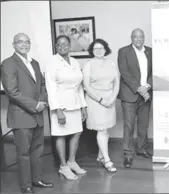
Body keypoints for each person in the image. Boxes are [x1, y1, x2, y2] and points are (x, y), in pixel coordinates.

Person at [0, 33, 53, 193]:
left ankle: (36, 180)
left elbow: (43, 85)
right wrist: (35, 104)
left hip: (37, 115)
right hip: (21, 116)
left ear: (30, 44)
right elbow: (12, 91)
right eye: (20, 42)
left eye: (26, 42)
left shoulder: (34, 63)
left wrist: (42, 101)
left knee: (37, 151)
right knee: (23, 153)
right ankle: (26, 186)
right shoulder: (8, 63)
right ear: (13, 44)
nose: (24, 45)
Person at [45, 35, 88, 180]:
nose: (62, 47)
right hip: (60, 105)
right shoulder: (52, 62)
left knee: (77, 132)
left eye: (65, 44)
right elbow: (50, 87)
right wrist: (57, 110)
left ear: (70, 45)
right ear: (56, 47)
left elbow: (79, 86)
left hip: (75, 103)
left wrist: (83, 106)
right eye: (59, 45)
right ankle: (63, 166)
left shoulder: (75, 62)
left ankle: (71, 161)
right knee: (61, 135)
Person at [83, 38, 120, 172]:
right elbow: (86, 86)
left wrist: (112, 98)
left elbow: (117, 83)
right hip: (95, 101)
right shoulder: (89, 64)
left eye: (101, 48)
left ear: (106, 49)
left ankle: (100, 156)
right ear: (92, 51)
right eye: (95, 48)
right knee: (102, 130)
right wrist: (101, 100)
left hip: (110, 99)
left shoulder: (111, 63)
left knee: (107, 129)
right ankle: (107, 160)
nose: (98, 51)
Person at [117, 28, 153, 168]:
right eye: (135, 37)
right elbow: (124, 73)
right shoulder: (123, 51)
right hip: (130, 94)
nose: (138, 39)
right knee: (129, 125)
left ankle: (142, 149)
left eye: (141, 36)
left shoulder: (150, 51)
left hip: (146, 93)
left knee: (143, 124)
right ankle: (128, 153)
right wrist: (139, 88)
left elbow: (154, 71)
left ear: (144, 38)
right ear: (131, 38)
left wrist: (147, 87)